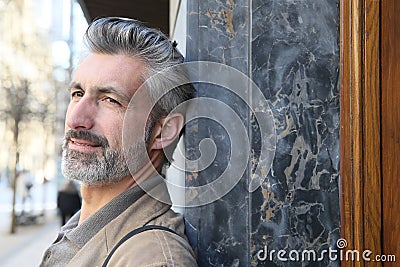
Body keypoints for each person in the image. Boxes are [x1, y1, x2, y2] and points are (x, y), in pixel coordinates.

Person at [40, 17, 197, 266]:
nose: (77, 119)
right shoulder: (85, 227)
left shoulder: (151, 258)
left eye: (110, 100)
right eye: (77, 94)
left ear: (163, 131)